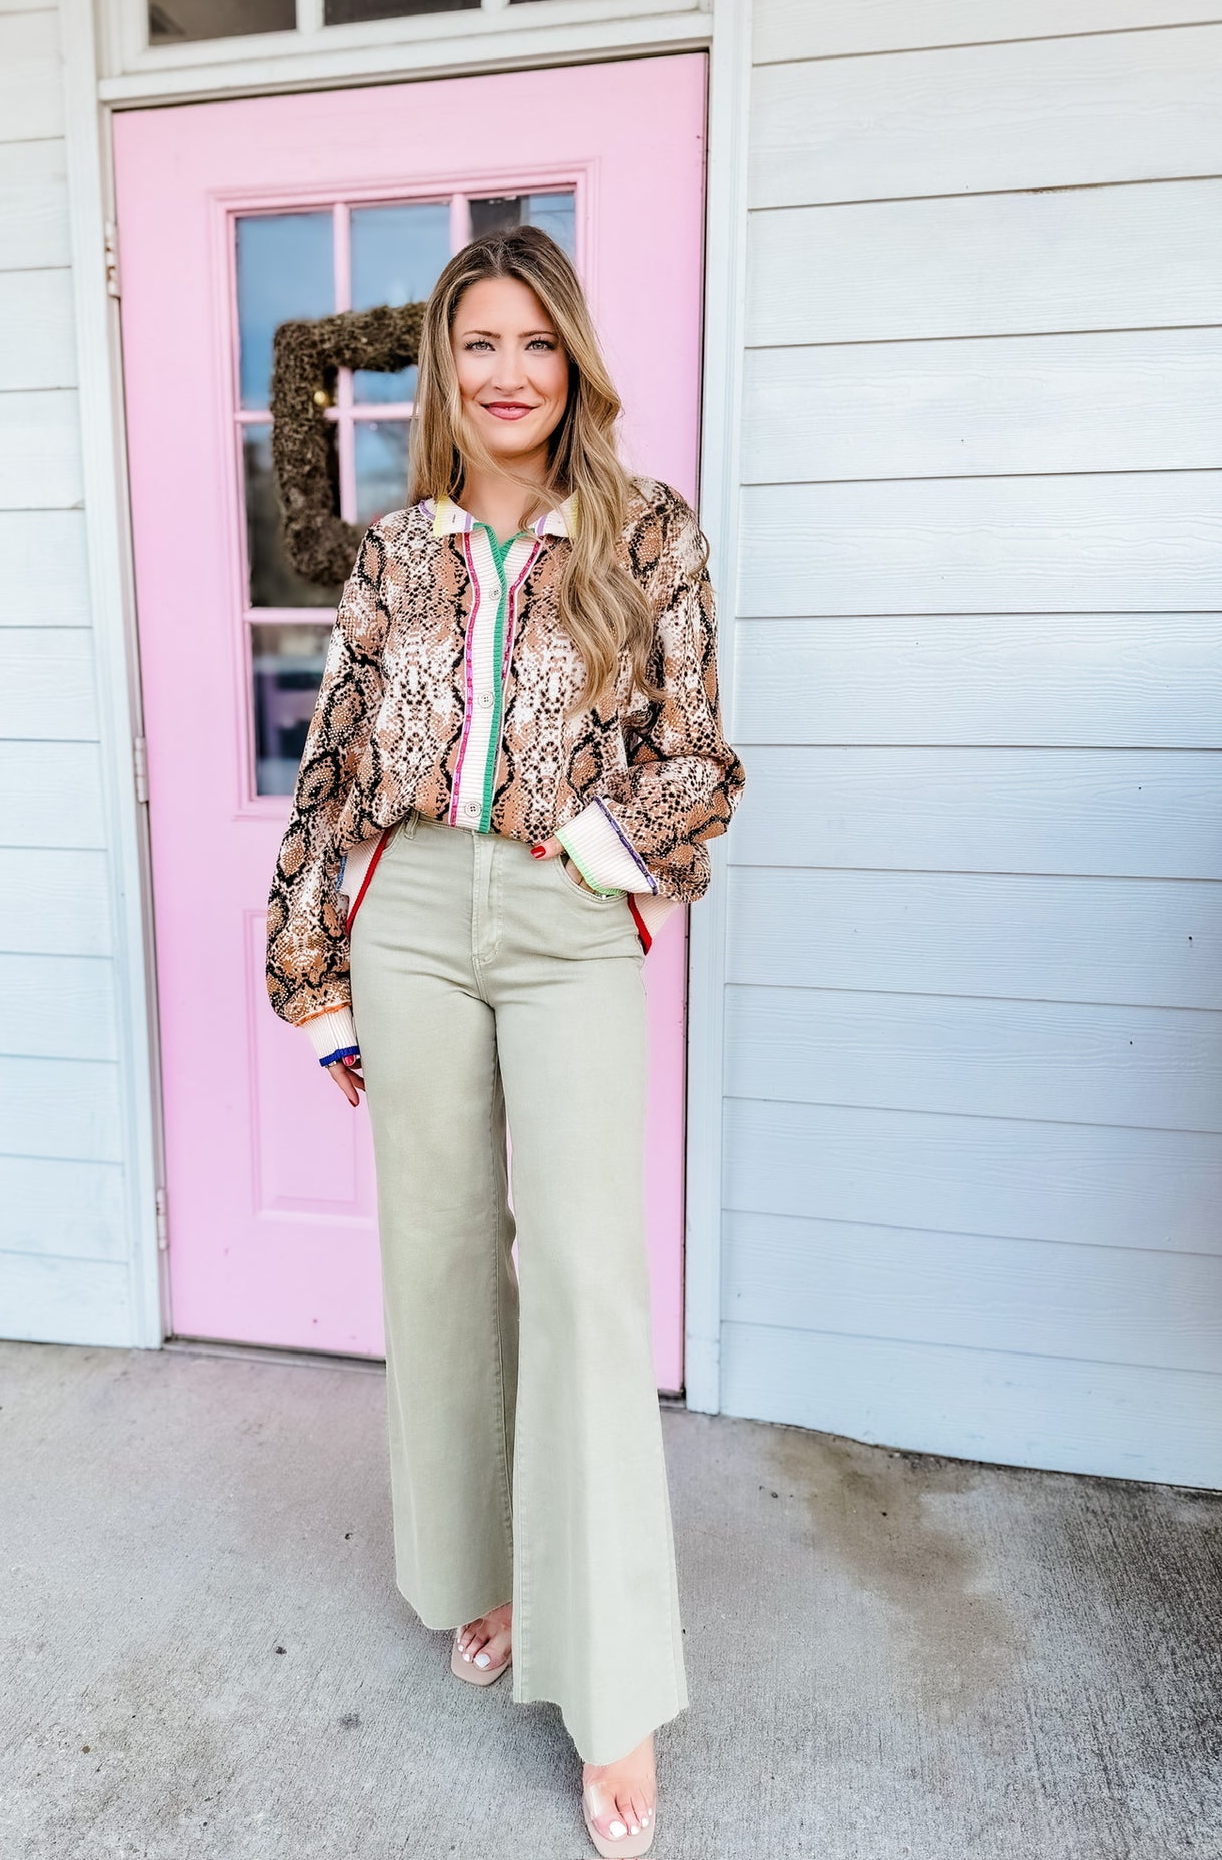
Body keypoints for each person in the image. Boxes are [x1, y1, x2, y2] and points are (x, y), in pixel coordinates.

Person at [265, 223, 744, 1857]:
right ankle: (483, 1577)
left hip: (558, 917)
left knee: (587, 1282)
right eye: (480, 342)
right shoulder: (393, 554)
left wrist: (597, 861)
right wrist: (315, 977)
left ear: (573, 361)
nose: (509, 372)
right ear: (444, 369)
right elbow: (334, 768)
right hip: (405, 916)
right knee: (442, 1255)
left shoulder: (646, 530)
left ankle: (612, 1689)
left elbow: (695, 755)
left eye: (537, 342)